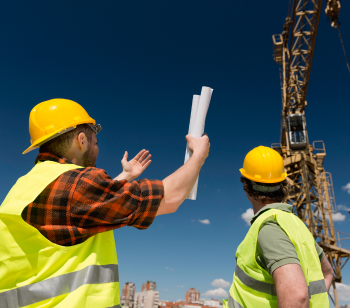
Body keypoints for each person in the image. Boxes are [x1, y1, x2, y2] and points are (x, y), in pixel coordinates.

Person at [0, 98, 210, 308]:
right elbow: (169, 198)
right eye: (95, 141)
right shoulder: (79, 183)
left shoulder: (22, 188)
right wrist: (198, 155)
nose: (97, 148)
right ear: (81, 140)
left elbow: (78, 209)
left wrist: (124, 177)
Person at [223, 146, 334, 308]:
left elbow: (297, 296)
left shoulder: (269, 226)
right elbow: (328, 273)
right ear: (283, 185)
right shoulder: (298, 226)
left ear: (246, 187)